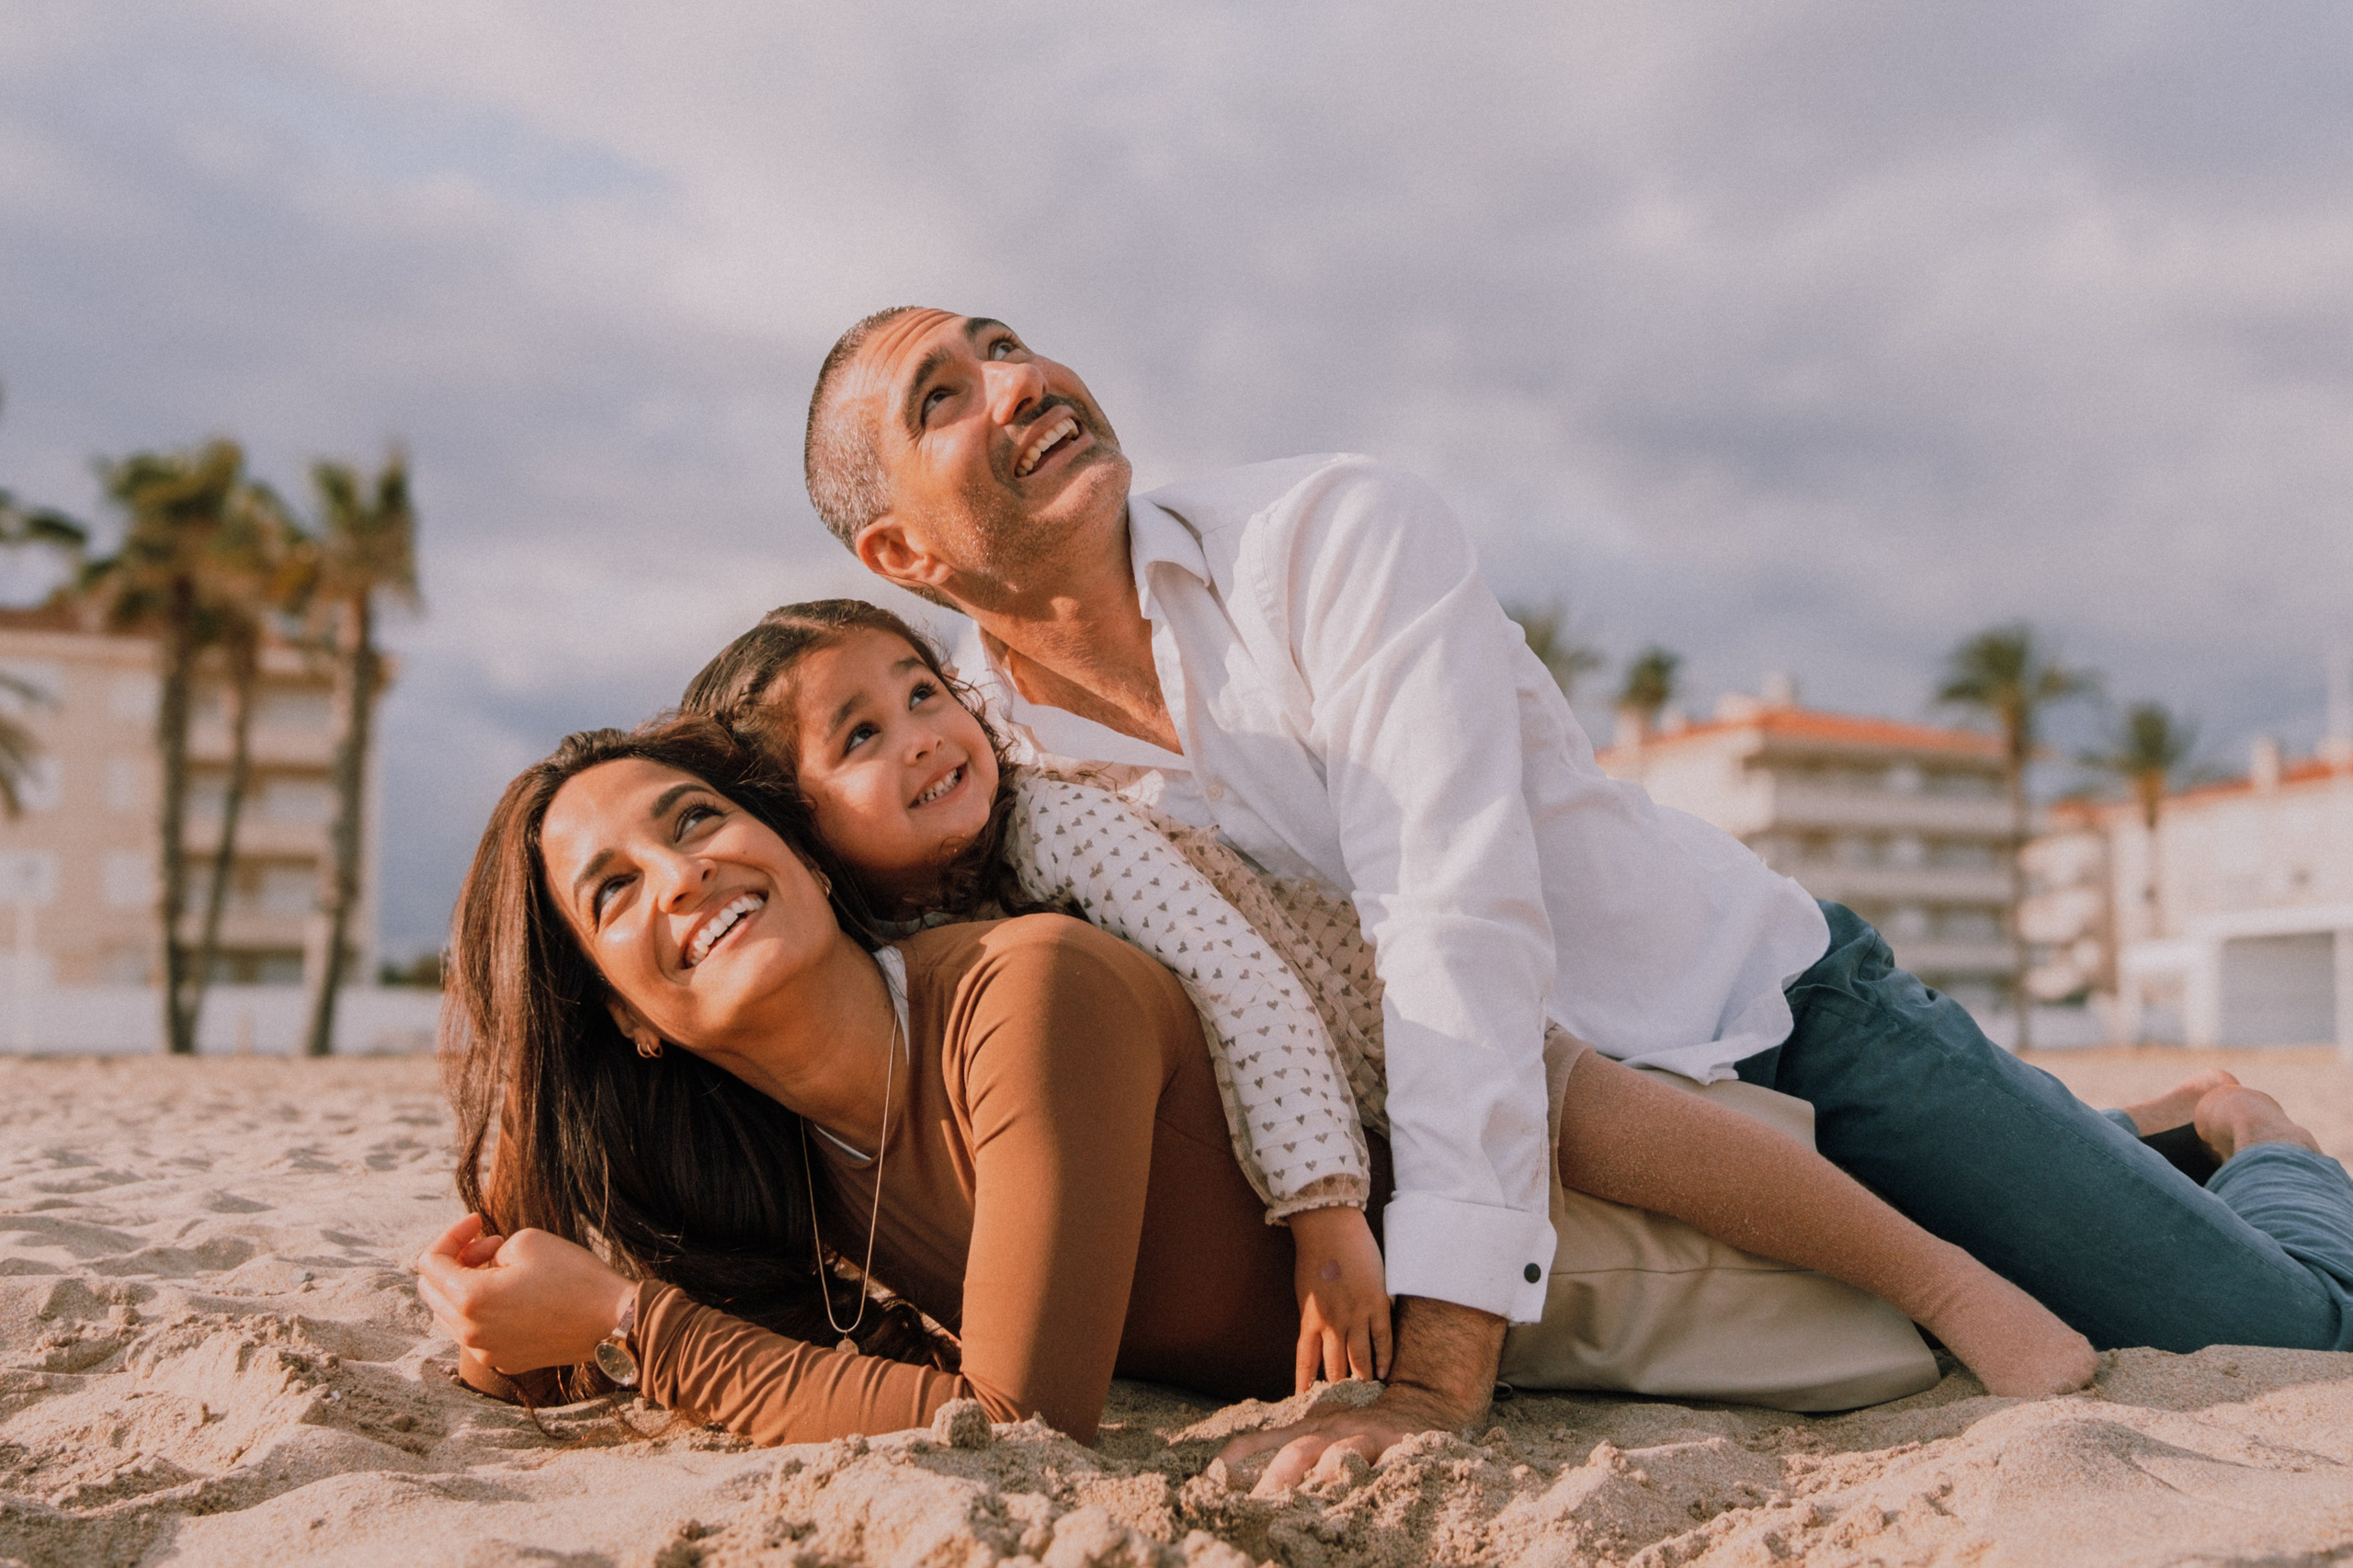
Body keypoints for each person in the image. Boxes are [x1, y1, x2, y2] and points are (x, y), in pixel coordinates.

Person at [801, 304, 2353, 1486]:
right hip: (1584, 1147)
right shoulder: (983, 759)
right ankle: (2125, 1138)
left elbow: (1449, 918)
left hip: (1758, 1019)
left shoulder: (1329, 537)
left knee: (2277, 1329)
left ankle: (2240, 1133)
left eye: (1006, 347)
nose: (1018, 383)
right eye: (945, 397)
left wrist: (1443, 1360)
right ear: (899, 547)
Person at [416, 716, 2091, 1451]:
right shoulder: (779, 1155)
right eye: (611, 889)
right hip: (1572, 1314)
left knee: (2170, 1292)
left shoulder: (1026, 990)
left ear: (784, 838)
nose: (679, 873)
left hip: (1600, 1264)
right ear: (618, 1012)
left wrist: (636, 1330)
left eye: (693, 819)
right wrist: (522, 1307)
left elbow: (1011, 1424)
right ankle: (2175, 1131)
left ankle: (2250, 1140)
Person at [676, 596, 2103, 1403]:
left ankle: (1952, 1285)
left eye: (921, 691)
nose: (925, 736)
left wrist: (1318, 1208)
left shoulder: (1059, 833)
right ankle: (2146, 1128)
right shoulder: (907, 940)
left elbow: (1240, 983)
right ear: (797, 825)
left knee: (1619, 1132)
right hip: (1340, 1105)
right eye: (861, 735)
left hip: (1385, 1024)